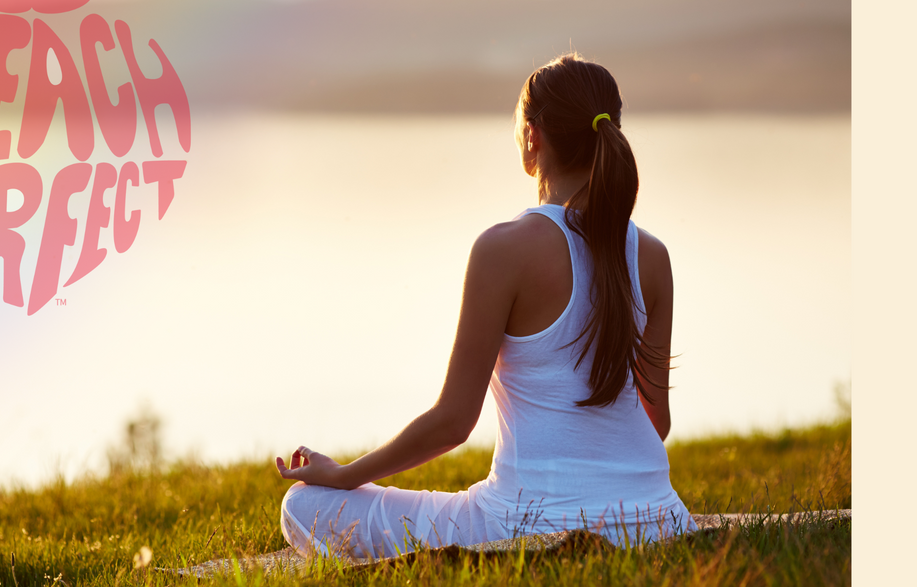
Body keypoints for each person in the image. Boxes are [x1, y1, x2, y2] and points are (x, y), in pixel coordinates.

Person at [275, 53, 697, 559]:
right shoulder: (652, 255)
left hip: (523, 523)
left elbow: (454, 422)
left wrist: (344, 475)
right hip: (660, 518)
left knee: (302, 506)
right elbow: (658, 423)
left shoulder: (504, 249)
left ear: (533, 139)